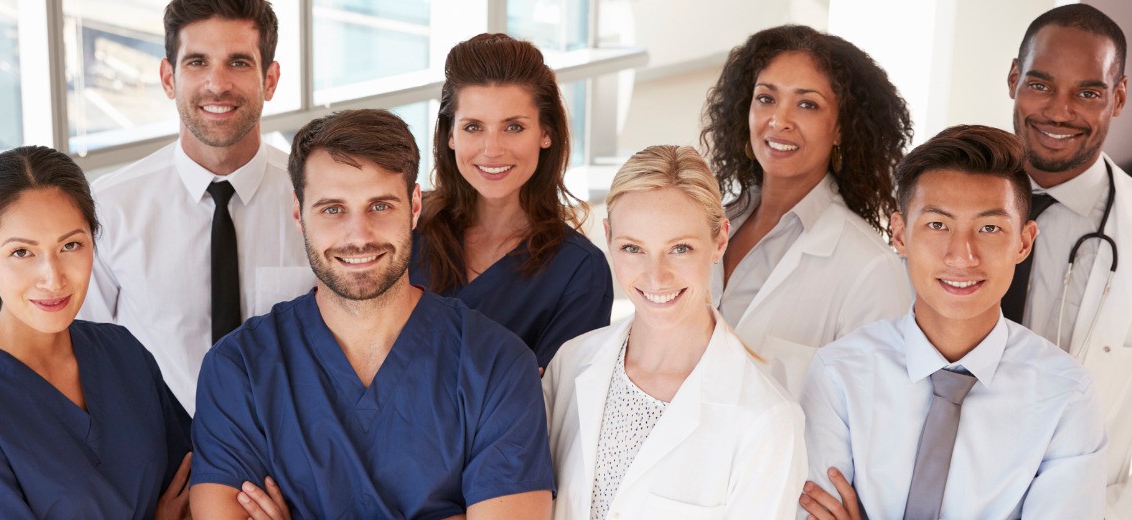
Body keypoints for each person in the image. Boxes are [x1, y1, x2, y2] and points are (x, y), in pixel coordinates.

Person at [189, 109, 554, 519]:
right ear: (298, 213)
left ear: (415, 207)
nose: (358, 236)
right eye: (332, 209)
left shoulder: (496, 364)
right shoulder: (239, 368)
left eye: (380, 206)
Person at [798, 125, 1107, 520]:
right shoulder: (838, 375)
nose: (962, 255)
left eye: (990, 228)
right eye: (938, 225)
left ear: (1024, 242)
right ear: (899, 234)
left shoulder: (1066, 396)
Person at [0, 146, 193, 518]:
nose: (53, 278)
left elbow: (198, 482)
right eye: (21, 253)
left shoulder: (123, 353)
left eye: (70, 245)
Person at [544, 145, 806, 519]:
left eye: (680, 248)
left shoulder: (766, 419)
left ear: (720, 240)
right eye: (633, 248)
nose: (656, 276)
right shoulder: (570, 365)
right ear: (608, 236)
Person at [78, 0, 313, 414]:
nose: (216, 84)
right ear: (168, 78)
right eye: (197, 62)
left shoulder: (315, 198)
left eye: (239, 62)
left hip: (294, 462)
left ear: (270, 80)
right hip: (163, 464)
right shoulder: (110, 208)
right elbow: (86, 358)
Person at [700, 25, 912, 397]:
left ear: (841, 130)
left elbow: (875, 413)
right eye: (766, 98)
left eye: (807, 104)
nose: (779, 120)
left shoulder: (871, 270)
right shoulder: (711, 222)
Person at [1004, 6, 1132, 516]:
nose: (1059, 112)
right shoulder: (940, 203)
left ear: (1119, 96)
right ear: (1014, 78)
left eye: (1088, 93)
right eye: (1040, 85)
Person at [412, 33, 613, 369]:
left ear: (545, 133)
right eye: (474, 127)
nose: (492, 149)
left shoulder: (579, 272)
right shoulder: (405, 227)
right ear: (450, 135)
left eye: (514, 127)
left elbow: (550, 407)